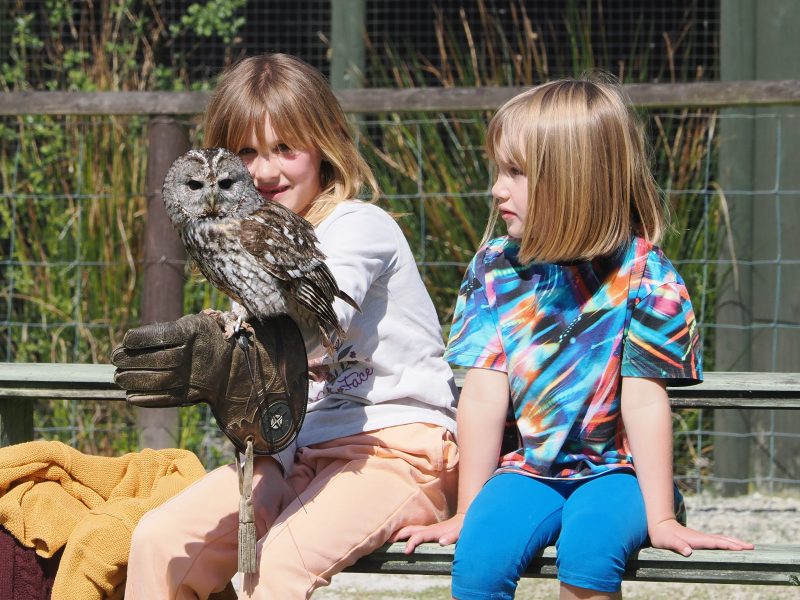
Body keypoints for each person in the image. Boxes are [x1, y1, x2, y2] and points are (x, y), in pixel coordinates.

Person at [394, 78, 753, 600]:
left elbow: (645, 399)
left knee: (589, 552)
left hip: (617, 475)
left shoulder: (646, 276)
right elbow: (484, 392)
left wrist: (662, 518)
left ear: (574, 179)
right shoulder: (496, 267)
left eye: (516, 172)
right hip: (527, 473)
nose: (497, 188)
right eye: (499, 169)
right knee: (478, 561)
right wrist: (467, 510)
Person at [122, 53, 458, 599]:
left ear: (325, 147)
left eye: (284, 149)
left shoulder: (358, 224)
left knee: (277, 566)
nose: (263, 171)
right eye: (246, 153)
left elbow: (321, 321)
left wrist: (228, 351)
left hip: (395, 451)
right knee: (159, 540)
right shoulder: (235, 227)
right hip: (292, 453)